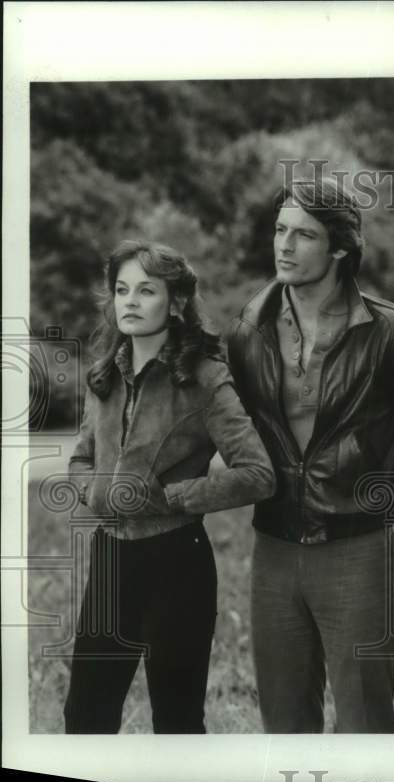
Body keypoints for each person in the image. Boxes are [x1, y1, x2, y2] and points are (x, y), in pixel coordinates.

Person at [226, 175, 394, 733]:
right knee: (283, 720)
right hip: (273, 547)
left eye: (304, 235)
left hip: (356, 551)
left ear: (340, 248)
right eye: (280, 230)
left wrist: (368, 506)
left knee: (365, 723)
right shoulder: (247, 329)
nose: (284, 245)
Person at [64, 240, 276, 733]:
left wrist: (175, 497)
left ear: (175, 302)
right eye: (121, 290)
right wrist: (96, 492)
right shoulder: (105, 375)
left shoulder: (204, 378)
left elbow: (258, 473)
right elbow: (80, 457)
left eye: (146, 290)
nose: (130, 301)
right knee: (85, 717)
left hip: (177, 561)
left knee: (177, 721)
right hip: (112, 560)